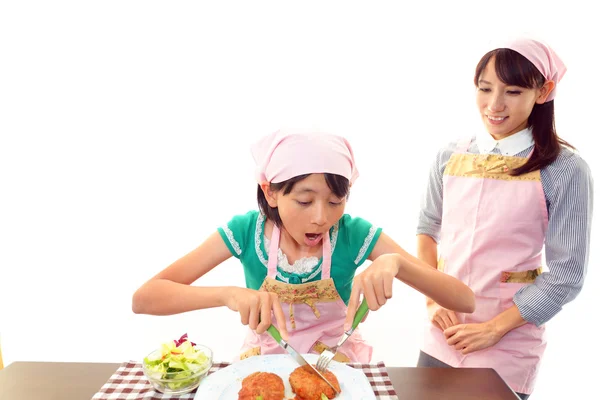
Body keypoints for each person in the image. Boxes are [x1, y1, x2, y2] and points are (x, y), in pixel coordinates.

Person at [132, 128, 475, 363]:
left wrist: (398, 264)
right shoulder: (245, 231)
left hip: (335, 362)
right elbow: (145, 298)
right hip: (263, 361)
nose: (321, 219)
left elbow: (464, 299)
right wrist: (228, 294)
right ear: (270, 191)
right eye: (304, 201)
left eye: (335, 201)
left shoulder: (353, 234)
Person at [413, 37, 594, 399]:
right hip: (442, 334)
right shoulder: (449, 155)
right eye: (485, 88)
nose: (494, 105)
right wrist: (433, 302)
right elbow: (427, 230)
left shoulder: (565, 169)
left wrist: (494, 329)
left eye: (512, 91)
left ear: (543, 91)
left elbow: (566, 275)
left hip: (508, 339)